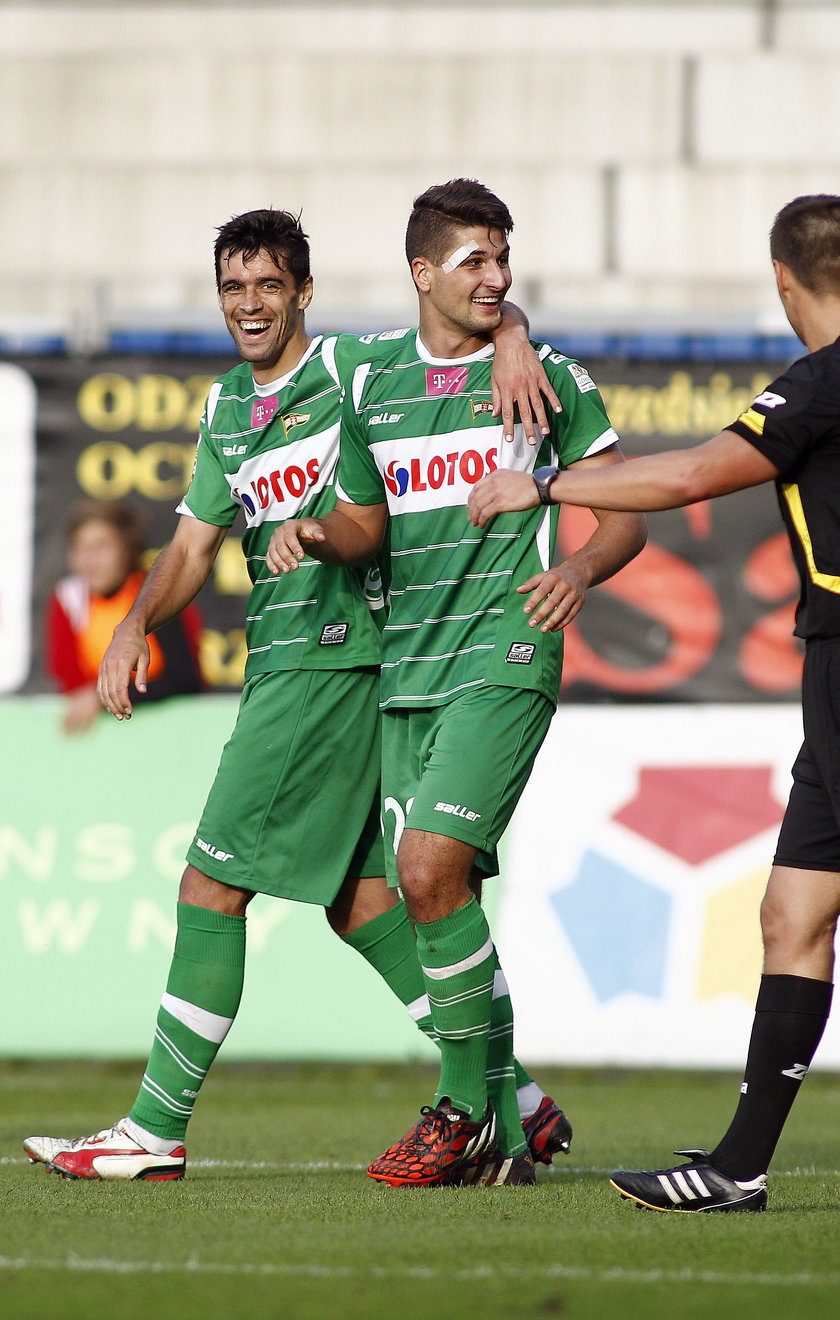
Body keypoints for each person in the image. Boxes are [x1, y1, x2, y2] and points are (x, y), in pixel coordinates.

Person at [23, 206, 573, 1183]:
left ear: (305, 293)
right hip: (321, 668)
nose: (250, 304)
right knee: (367, 902)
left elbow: (468, 313)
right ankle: (511, 1099)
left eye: (270, 285)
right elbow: (192, 547)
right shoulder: (229, 411)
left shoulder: (353, 375)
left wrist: (517, 331)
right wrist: (136, 621)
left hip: (330, 665)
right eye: (234, 287)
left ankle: (154, 1129)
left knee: (209, 884)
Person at [266, 178, 647, 1187]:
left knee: (429, 869)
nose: (498, 277)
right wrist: (313, 529)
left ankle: (459, 1106)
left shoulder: (546, 376)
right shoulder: (366, 377)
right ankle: (513, 1129)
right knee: (432, 898)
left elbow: (627, 511)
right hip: (406, 672)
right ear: (423, 272)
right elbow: (363, 522)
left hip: (505, 653)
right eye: (476, 260)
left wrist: (573, 567)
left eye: (505, 260)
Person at [467, 192, 840, 1213]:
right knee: (793, 914)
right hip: (828, 665)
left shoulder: (821, 383)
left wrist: (540, 491)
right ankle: (739, 1167)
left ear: (781, 280)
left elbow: (685, 479)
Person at [45, 498, 203, 733]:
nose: (88, 560)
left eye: (101, 546)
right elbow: (71, 684)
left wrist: (103, 699)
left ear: (130, 551)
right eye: (79, 547)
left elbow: (184, 679)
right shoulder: (69, 600)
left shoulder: (154, 597)